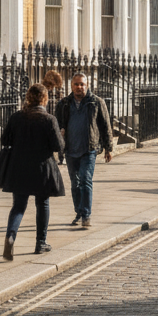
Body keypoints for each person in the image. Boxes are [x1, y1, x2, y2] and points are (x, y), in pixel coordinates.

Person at [0, 83, 65, 259]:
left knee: (19, 206)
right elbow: (58, 146)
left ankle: (11, 236)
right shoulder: (49, 119)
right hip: (42, 168)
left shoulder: (16, 117)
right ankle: (40, 242)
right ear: (45, 99)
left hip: (19, 168)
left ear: (28, 98)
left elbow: (4, 139)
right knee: (42, 204)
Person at [56, 72, 114, 229]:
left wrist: (108, 148)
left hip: (89, 149)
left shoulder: (96, 102)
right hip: (70, 149)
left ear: (87, 85)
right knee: (75, 183)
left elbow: (105, 126)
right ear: (71, 86)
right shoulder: (64, 104)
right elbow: (58, 124)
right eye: (76, 84)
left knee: (85, 179)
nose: (79, 87)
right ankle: (79, 212)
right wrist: (60, 132)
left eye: (82, 84)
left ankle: (86, 215)